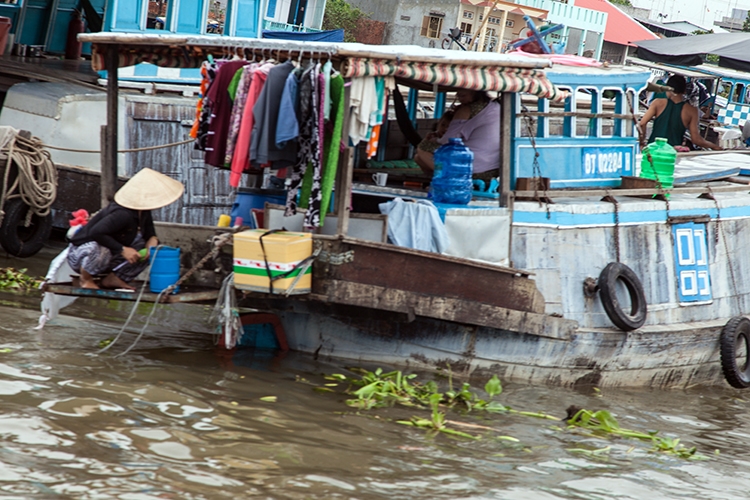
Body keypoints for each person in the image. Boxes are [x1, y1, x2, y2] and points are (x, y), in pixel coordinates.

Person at [67, 168, 185, 290]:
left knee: (152, 250)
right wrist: (122, 249)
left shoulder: (143, 211)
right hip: (81, 255)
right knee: (102, 248)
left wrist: (152, 241)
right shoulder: (122, 214)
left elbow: (149, 232)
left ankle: (115, 278)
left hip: (110, 256)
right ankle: (85, 279)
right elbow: (96, 232)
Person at [415, 89, 501, 184]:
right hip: (495, 169)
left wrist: (433, 140)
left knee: (423, 148)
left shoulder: (467, 110)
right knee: (419, 158)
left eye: (463, 93)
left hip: (473, 169)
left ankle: (451, 180)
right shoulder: (497, 106)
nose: (458, 94)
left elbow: (448, 140)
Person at [638, 74, 721, 151]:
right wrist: (714, 146)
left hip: (653, 150)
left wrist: (642, 142)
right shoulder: (692, 111)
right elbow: (696, 140)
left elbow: (642, 123)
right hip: (673, 152)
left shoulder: (657, 103)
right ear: (684, 91)